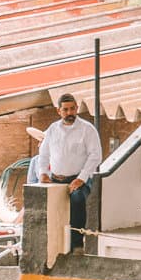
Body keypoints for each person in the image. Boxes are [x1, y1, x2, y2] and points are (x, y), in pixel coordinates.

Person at [39, 92, 103, 251]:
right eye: (66, 110)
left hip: (79, 180)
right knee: (49, 208)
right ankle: (51, 246)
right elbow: (44, 153)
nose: (70, 113)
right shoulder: (53, 129)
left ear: (76, 109)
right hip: (55, 180)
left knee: (77, 200)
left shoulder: (87, 129)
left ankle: (77, 245)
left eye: (72, 109)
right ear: (58, 111)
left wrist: (81, 179)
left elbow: (96, 156)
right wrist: (42, 173)